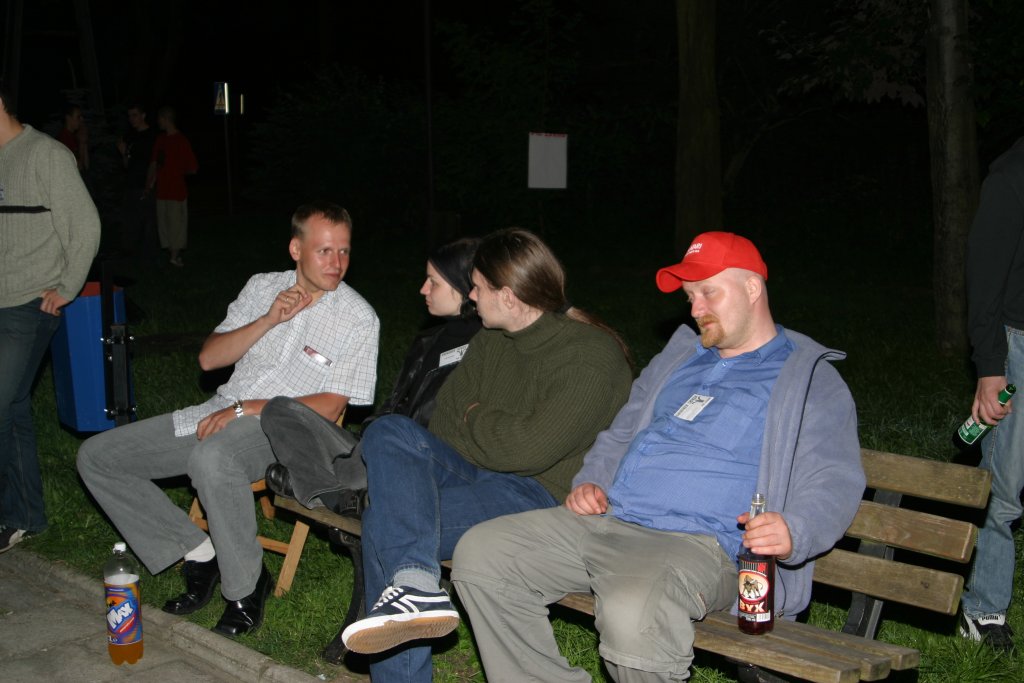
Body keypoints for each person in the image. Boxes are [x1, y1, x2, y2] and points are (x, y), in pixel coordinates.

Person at [451, 231, 866, 683]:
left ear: (752, 288)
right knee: (483, 554)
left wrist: (795, 529)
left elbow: (833, 476)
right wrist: (593, 481)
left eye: (708, 292)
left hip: (696, 546)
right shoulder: (680, 361)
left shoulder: (805, 378)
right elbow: (621, 432)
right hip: (609, 521)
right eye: (689, 297)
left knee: (635, 613)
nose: (695, 308)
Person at [339, 228, 634, 682]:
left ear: (508, 296)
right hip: (475, 473)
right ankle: (417, 587)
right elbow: (443, 423)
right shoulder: (491, 339)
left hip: (537, 496)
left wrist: (475, 416)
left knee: (386, 522)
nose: (471, 297)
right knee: (389, 430)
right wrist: (490, 427)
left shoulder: (589, 356)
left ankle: (411, 596)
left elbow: (528, 451)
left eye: (477, 287)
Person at [76, 202, 379, 637]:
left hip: (285, 433)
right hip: (218, 410)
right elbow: (210, 358)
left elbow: (331, 407)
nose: (337, 263)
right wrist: (269, 319)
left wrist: (247, 408)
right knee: (98, 456)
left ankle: (245, 588)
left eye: (344, 251)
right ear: (296, 249)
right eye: (325, 251)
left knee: (213, 459)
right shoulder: (262, 287)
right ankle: (200, 553)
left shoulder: (358, 318)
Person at [260, 237, 483, 512]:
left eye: (433, 282)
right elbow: (392, 405)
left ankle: (314, 482)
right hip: (373, 447)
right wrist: (368, 433)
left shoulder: (485, 349)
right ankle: (335, 495)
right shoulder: (428, 341)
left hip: (415, 460)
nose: (423, 289)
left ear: (464, 288)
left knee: (354, 468)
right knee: (279, 409)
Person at [0, 84, 101, 553]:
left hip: (29, 304)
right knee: (14, 406)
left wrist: (66, 287)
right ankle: (25, 516)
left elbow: (85, 225)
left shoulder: (46, 154)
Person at [958, 138, 1024, 653]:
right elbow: (983, 278)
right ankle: (982, 610)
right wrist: (990, 368)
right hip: (1017, 344)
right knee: (1004, 487)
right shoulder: (1012, 177)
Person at [147, 105, 197, 267]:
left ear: (166, 119)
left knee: (176, 225)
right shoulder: (161, 140)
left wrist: (177, 170)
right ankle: (172, 255)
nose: (158, 122)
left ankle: (174, 257)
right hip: (162, 191)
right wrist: (150, 183)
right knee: (164, 225)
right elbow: (156, 164)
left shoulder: (181, 141)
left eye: (160, 119)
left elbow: (192, 167)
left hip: (176, 191)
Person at [117, 103, 159, 257]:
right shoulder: (131, 136)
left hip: (146, 184)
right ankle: (132, 253)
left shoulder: (152, 136)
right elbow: (127, 164)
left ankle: (150, 255)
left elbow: (156, 163)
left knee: (149, 221)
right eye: (129, 116)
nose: (131, 119)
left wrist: (150, 184)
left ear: (143, 115)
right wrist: (123, 153)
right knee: (131, 220)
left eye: (134, 115)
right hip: (131, 184)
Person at [56, 103, 89, 172]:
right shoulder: (64, 139)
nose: (82, 119)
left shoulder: (75, 136)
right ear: (68, 118)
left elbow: (86, 166)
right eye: (78, 117)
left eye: (81, 117)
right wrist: (81, 144)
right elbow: (78, 168)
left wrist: (84, 143)